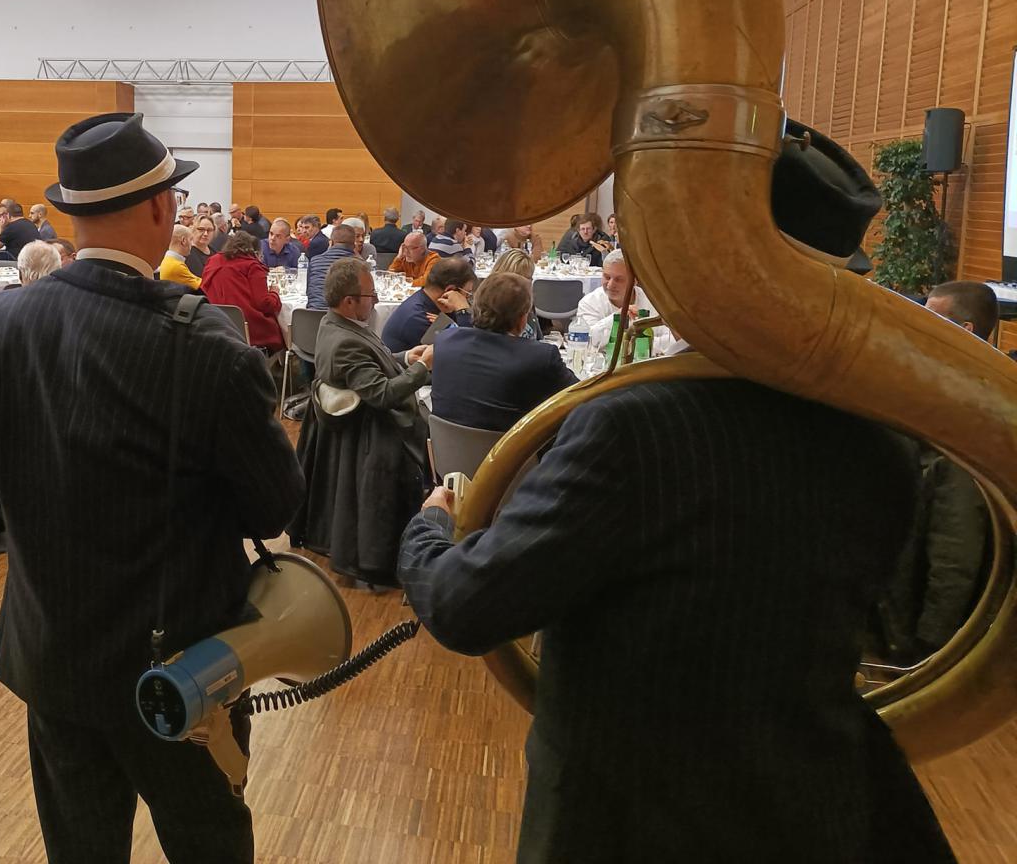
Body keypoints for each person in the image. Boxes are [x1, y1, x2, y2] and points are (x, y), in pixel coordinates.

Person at [396, 131, 957, 864]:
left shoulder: (631, 431)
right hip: (811, 808)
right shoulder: (883, 443)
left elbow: (466, 607)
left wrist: (429, 530)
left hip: (624, 817)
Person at [0, 109, 301, 862]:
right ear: (162, 207)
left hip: (51, 655)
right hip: (185, 669)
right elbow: (275, 507)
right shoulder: (209, 347)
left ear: (70, 213)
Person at [868, 280, 1001, 664]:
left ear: (965, 330)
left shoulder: (966, 417)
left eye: (931, 317)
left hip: (914, 640)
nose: (920, 326)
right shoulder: (937, 391)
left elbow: (955, 549)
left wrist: (928, 646)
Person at [290, 256, 431, 588]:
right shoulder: (346, 342)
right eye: (370, 295)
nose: (376, 300)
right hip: (374, 436)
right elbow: (381, 394)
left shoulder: (334, 324)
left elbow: (370, 367)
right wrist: (423, 369)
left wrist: (404, 358)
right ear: (349, 301)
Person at [431, 272, 577, 432]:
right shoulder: (540, 357)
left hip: (445, 445)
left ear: (476, 306)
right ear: (522, 319)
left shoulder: (444, 341)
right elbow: (582, 396)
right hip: (514, 447)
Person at [200, 231, 284, 354]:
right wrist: (274, 293)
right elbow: (265, 303)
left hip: (215, 325)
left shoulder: (212, 261)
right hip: (248, 329)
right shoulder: (252, 266)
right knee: (284, 333)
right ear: (255, 252)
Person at [382, 255, 475, 355]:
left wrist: (451, 326)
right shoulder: (419, 317)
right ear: (450, 290)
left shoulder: (431, 301)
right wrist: (463, 311)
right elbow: (467, 351)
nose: (466, 300)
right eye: (467, 294)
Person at [569, 248, 657, 338]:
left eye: (619, 279)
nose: (610, 285)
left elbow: (666, 338)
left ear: (635, 280)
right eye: (607, 277)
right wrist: (616, 318)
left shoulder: (652, 301)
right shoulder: (589, 302)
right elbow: (588, 339)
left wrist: (634, 343)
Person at [305, 223, 357, 312]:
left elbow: (308, 292)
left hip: (312, 315)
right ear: (354, 246)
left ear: (331, 242)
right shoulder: (358, 265)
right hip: (342, 319)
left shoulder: (315, 261)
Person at [158, 225, 200, 289]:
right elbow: (204, 287)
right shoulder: (176, 266)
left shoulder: (170, 261)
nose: (192, 244)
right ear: (184, 240)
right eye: (191, 239)